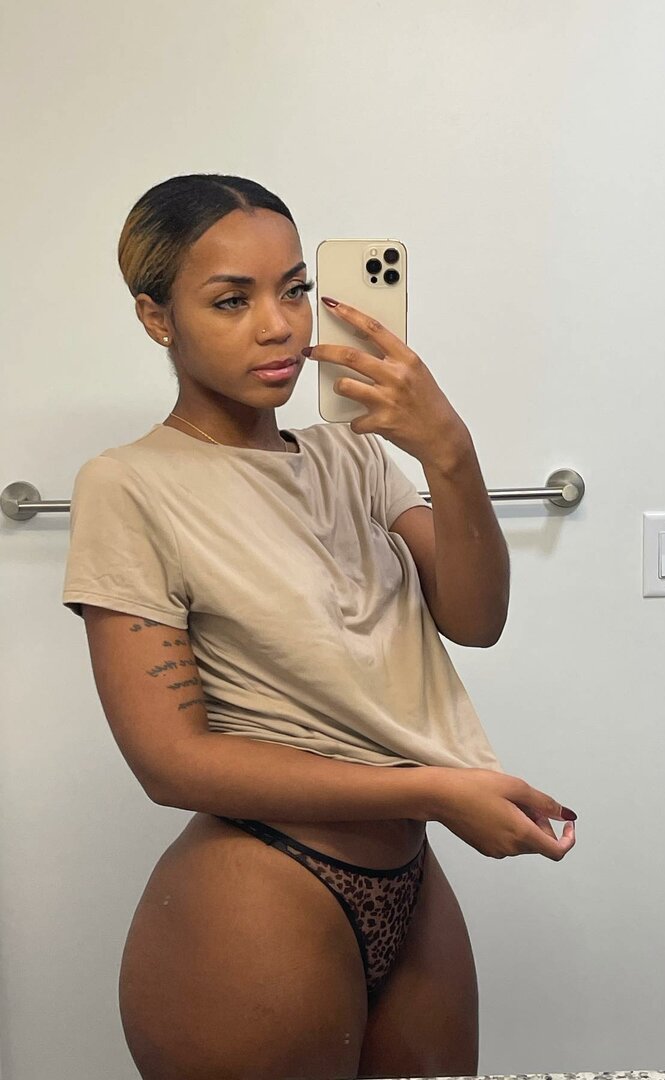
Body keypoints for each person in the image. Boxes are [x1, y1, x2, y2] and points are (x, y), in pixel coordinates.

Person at [62, 173, 577, 1080]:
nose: (281, 326)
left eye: (295, 289)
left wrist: (450, 450)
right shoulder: (129, 484)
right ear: (156, 317)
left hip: (410, 881)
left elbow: (476, 618)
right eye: (232, 300)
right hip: (260, 890)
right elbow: (170, 763)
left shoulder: (354, 456)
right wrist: (436, 789)